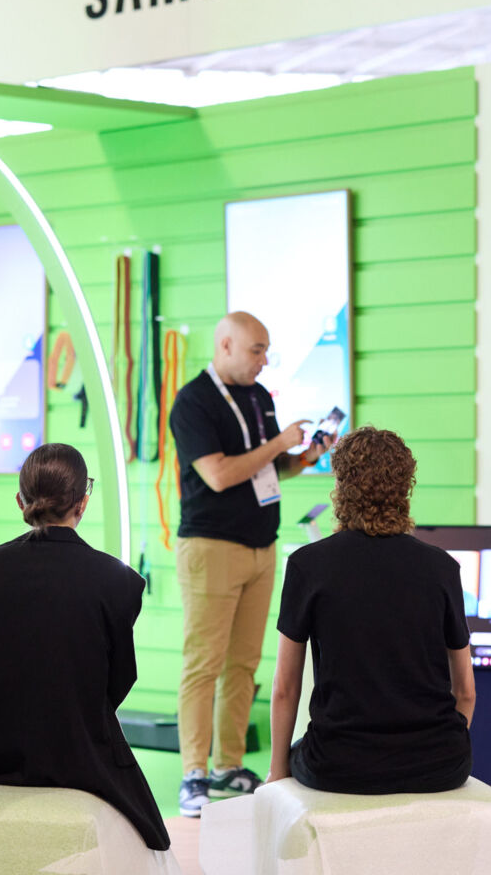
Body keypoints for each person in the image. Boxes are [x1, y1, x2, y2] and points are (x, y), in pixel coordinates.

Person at [0, 443, 170, 852]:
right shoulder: (121, 582)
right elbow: (118, 682)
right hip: (82, 755)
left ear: (20, 500)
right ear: (83, 502)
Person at [167, 312, 333, 816]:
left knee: (243, 664)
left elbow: (269, 466)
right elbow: (218, 475)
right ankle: (193, 773)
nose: (264, 361)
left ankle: (228, 764)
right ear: (225, 345)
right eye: (257, 350)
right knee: (204, 663)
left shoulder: (259, 397)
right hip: (211, 547)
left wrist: (303, 456)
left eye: (266, 351)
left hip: (262, 547)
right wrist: (278, 445)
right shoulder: (192, 402)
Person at [268, 426, 475, 794]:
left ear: (341, 484)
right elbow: (466, 693)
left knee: (302, 751)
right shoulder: (442, 568)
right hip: (440, 764)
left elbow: (286, 688)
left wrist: (277, 772)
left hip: (338, 764)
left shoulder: (307, 565)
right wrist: (440, 750)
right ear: (406, 486)